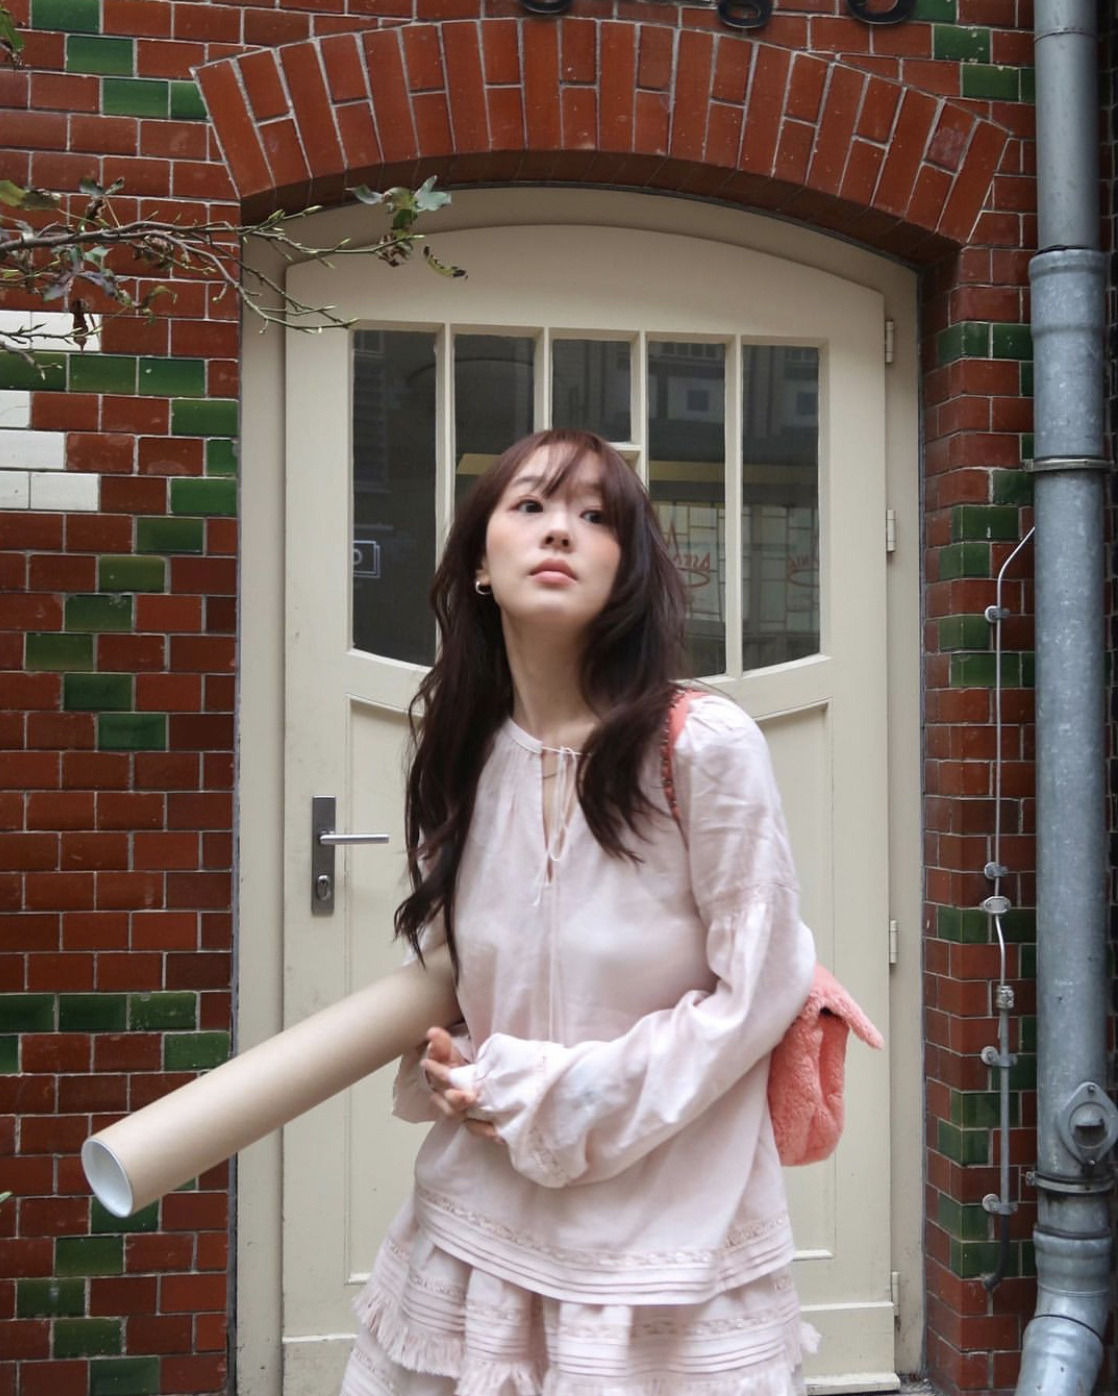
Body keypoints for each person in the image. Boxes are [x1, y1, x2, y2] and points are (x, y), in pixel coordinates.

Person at [340, 428, 818, 1396]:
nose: (560, 530)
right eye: (530, 506)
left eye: (595, 516)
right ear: (480, 563)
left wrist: (548, 1094)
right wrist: (454, 1066)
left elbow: (759, 993)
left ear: (627, 568)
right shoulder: (461, 751)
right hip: (477, 1226)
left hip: (664, 1240)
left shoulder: (703, 745)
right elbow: (466, 983)